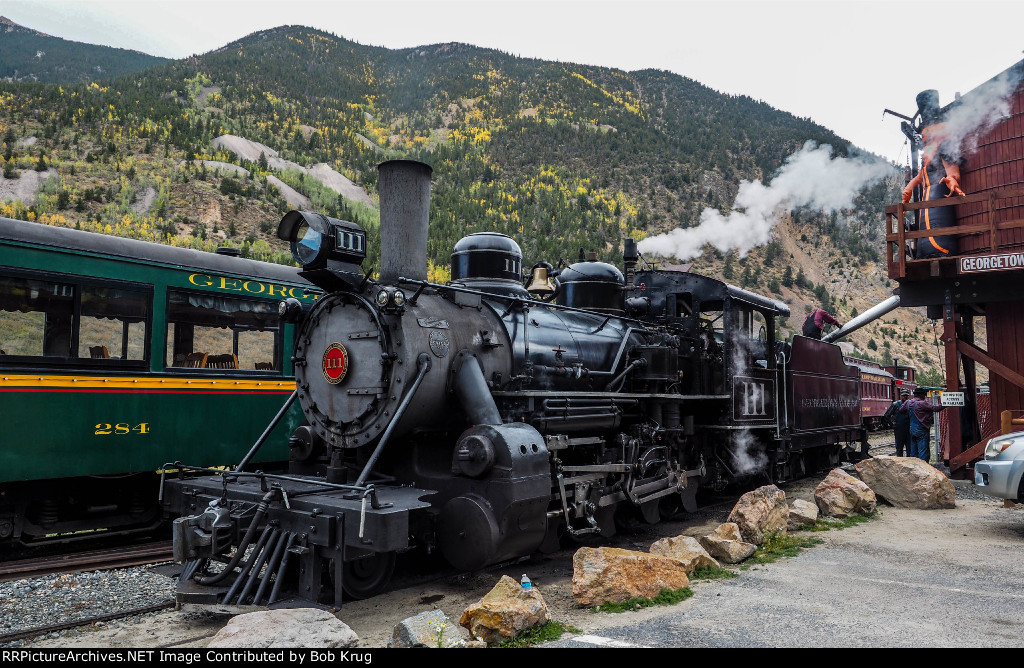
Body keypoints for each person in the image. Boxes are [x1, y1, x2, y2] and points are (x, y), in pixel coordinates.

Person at [899, 387, 950, 462]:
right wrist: (947, 403)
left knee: (913, 451)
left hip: (912, 428)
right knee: (923, 451)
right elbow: (935, 408)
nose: (925, 397)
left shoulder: (908, 402)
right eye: (924, 395)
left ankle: (914, 468)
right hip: (922, 428)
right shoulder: (922, 403)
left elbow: (901, 410)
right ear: (921, 395)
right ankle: (924, 468)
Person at [884, 389, 912, 457]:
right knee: (899, 446)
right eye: (903, 395)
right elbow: (887, 415)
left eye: (906, 396)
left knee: (909, 447)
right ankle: (900, 459)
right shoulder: (895, 404)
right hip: (899, 428)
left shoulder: (910, 404)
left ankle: (909, 460)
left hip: (909, 428)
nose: (905, 397)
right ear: (900, 396)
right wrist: (892, 425)